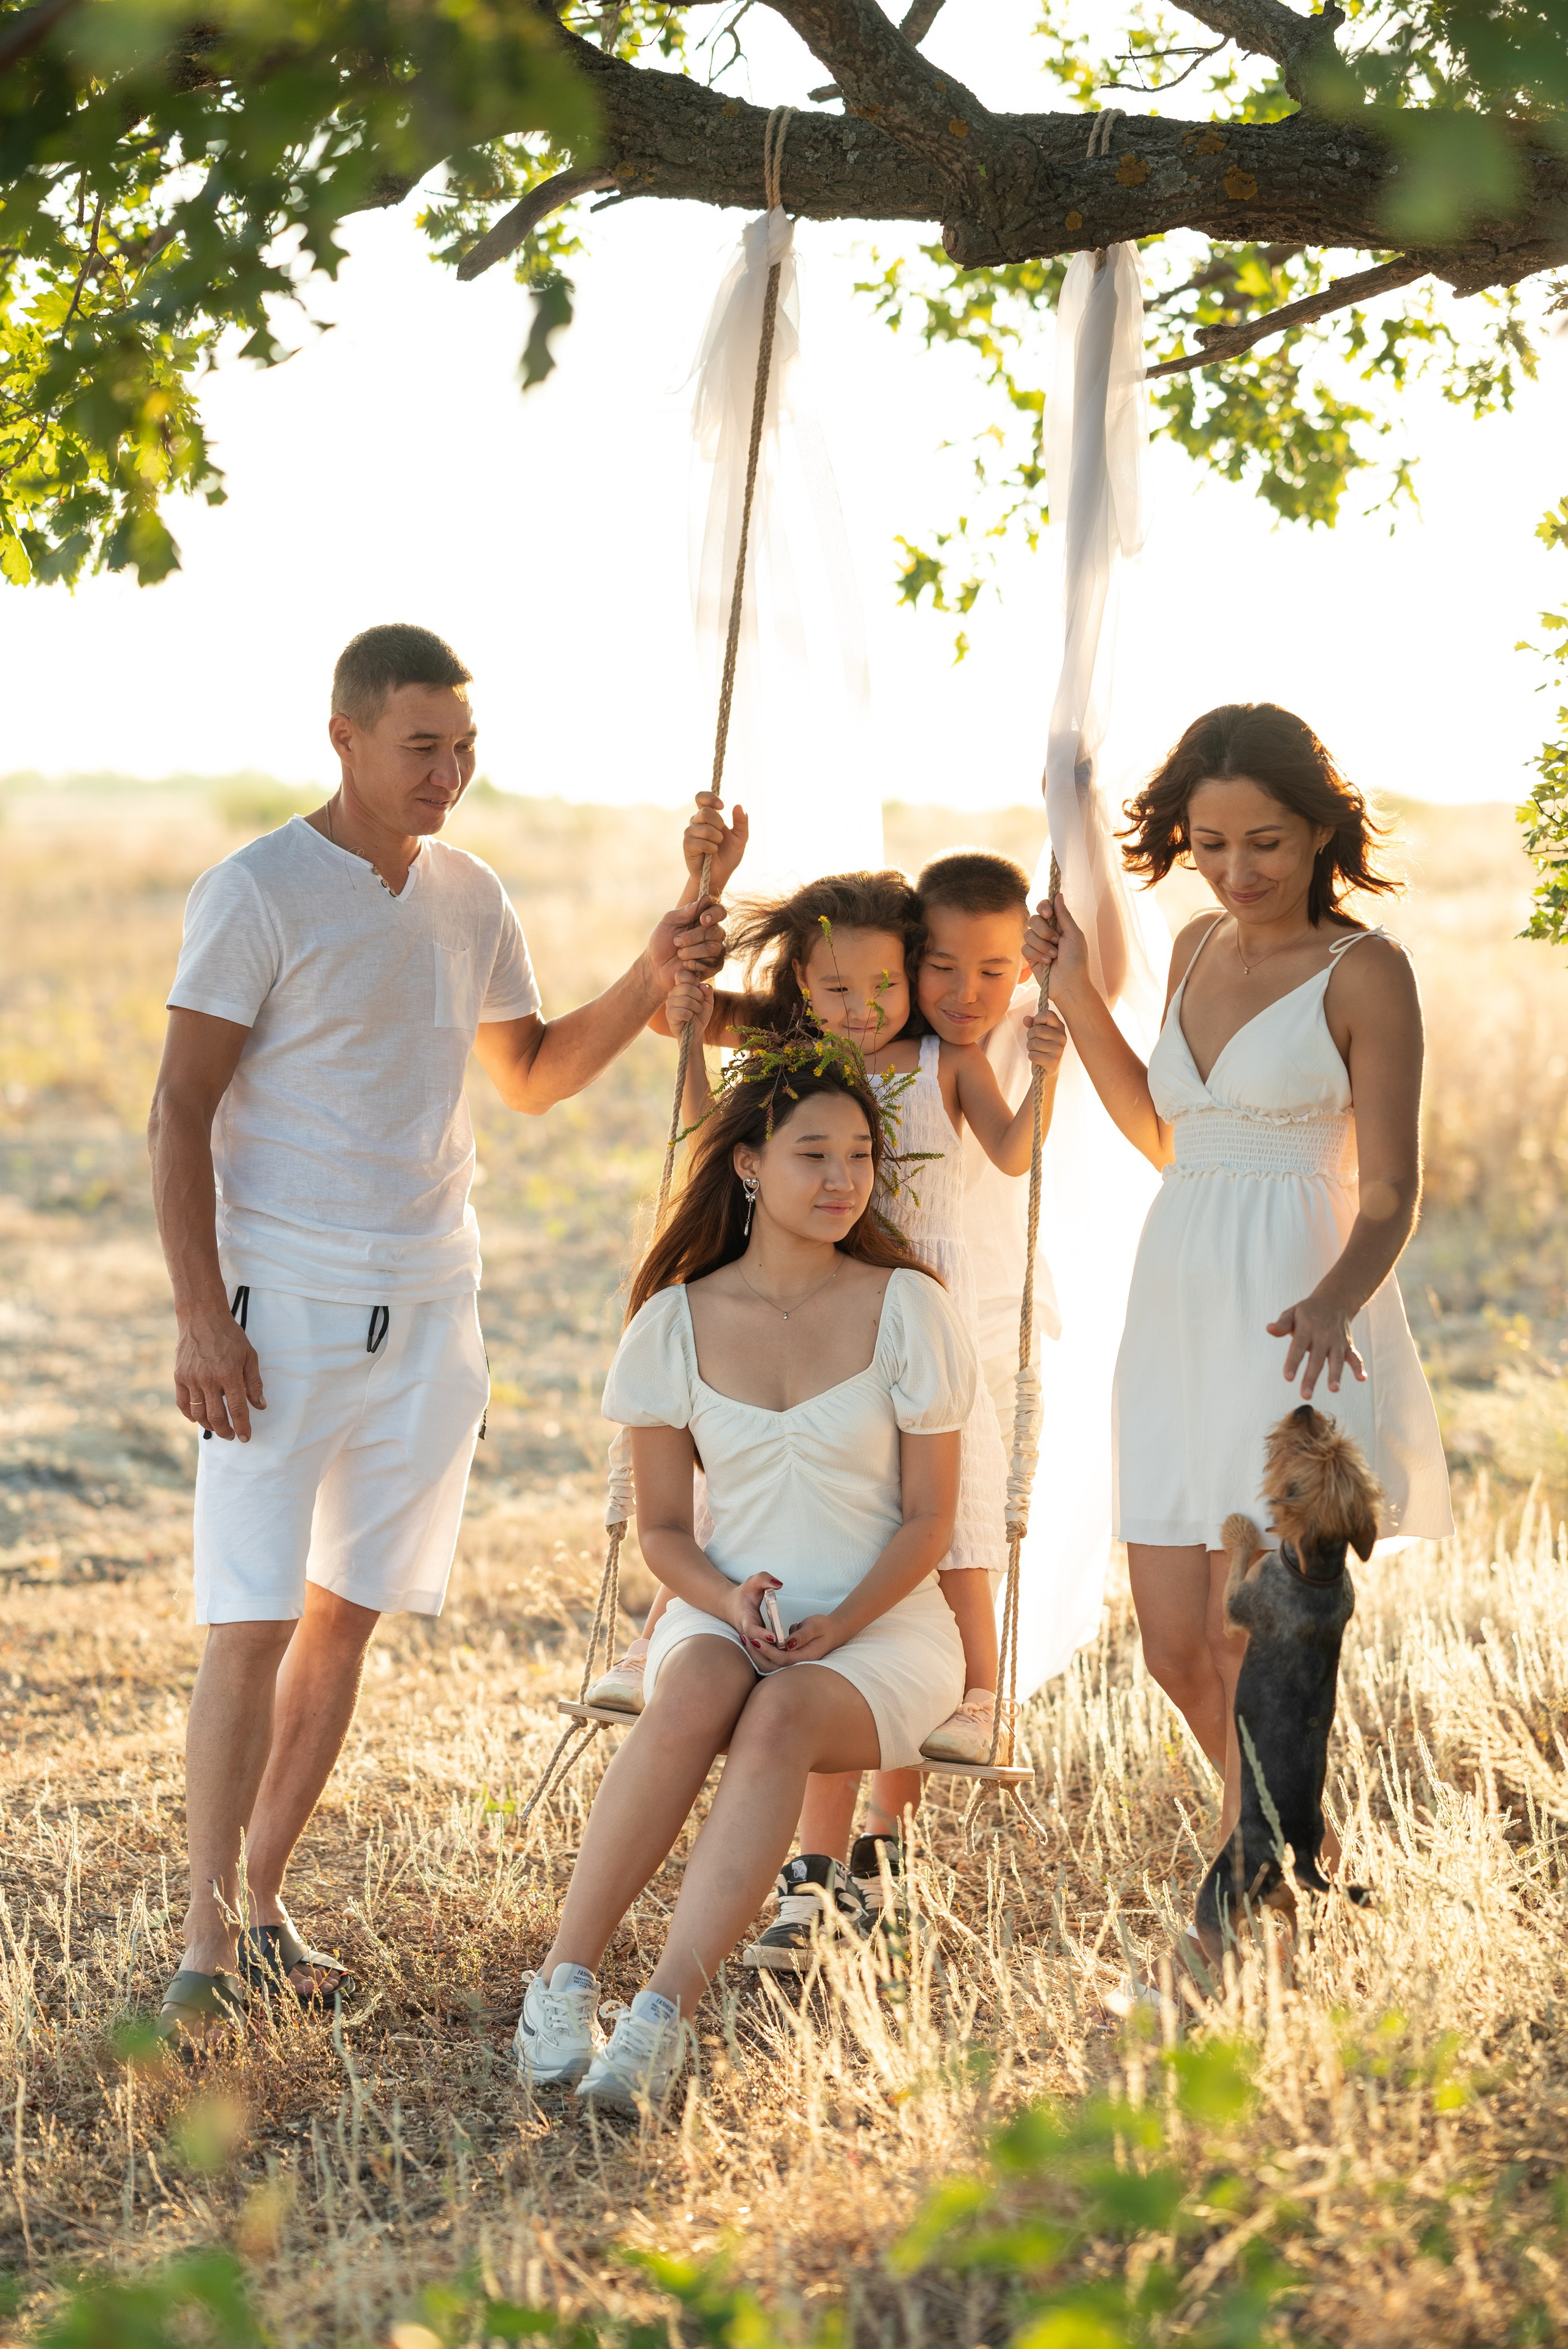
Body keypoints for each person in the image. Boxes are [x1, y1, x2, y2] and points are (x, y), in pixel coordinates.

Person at [146, 622, 722, 2045]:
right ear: (343, 737)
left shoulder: (472, 894)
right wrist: (201, 1317)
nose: (447, 775)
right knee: (250, 1622)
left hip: (432, 1308)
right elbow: (178, 1110)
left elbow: (528, 1073)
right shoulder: (256, 889)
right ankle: (202, 1946)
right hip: (278, 1309)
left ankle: (262, 1906)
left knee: (343, 1618)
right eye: (421, 748)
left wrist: (650, 972)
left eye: (464, 750)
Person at [1027, 702, 1453, 1877]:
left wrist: (1335, 1299)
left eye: (1263, 842)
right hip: (1174, 1309)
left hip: (1292, 1315)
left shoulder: (1369, 973)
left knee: (1252, 1640)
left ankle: (1245, 1901)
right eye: (1209, 845)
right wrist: (1075, 995)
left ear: (1318, 830)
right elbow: (1173, 1140)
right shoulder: (1195, 949)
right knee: (1175, 1650)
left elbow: (1393, 1189)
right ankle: (1296, 1847)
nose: (1235, 870)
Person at [514, 1044, 978, 2110]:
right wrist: (725, 1601)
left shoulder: (909, 1307)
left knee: (781, 1719)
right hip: (724, 1606)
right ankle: (562, 1983)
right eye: (814, 1154)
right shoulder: (673, 1321)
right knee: (697, 1689)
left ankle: (661, 2014)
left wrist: (840, 1622)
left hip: (882, 1625)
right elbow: (664, 1532)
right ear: (751, 1166)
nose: (843, 1179)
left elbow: (931, 1521)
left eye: (860, 1155)